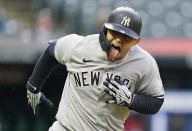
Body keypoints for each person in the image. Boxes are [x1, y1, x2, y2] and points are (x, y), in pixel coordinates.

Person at [26, 6, 165, 131]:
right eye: (114, 33)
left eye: (126, 37)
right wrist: (33, 86)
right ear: (105, 29)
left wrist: (131, 100)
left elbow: (156, 100)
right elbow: (52, 49)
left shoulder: (144, 62)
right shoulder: (81, 45)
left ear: (136, 41)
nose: (118, 40)